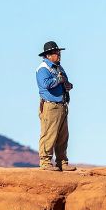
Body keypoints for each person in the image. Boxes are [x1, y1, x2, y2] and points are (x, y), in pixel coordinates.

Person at [36, 41, 76, 171]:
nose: (58, 55)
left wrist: (68, 86)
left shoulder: (59, 68)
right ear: (48, 55)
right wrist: (59, 80)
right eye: (55, 53)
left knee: (63, 135)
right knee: (49, 134)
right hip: (50, 106)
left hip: (62, 105)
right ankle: (45, 162)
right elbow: (46, 84)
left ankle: (62, 162)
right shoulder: (43, 69)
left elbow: (65, 82)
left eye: (58, 52)